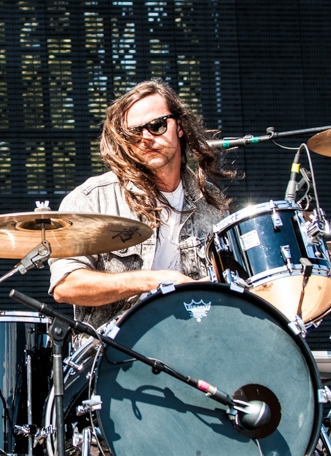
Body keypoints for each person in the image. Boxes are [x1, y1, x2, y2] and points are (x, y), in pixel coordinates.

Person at [49, 79, 233, 328]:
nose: (145, 138)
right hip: (115, 351)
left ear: (179, 126)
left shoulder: (210, 202)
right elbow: (67, 285)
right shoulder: (92, 199)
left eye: (156, 126)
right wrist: (153, 280)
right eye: (135, 133)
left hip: (196, 341)